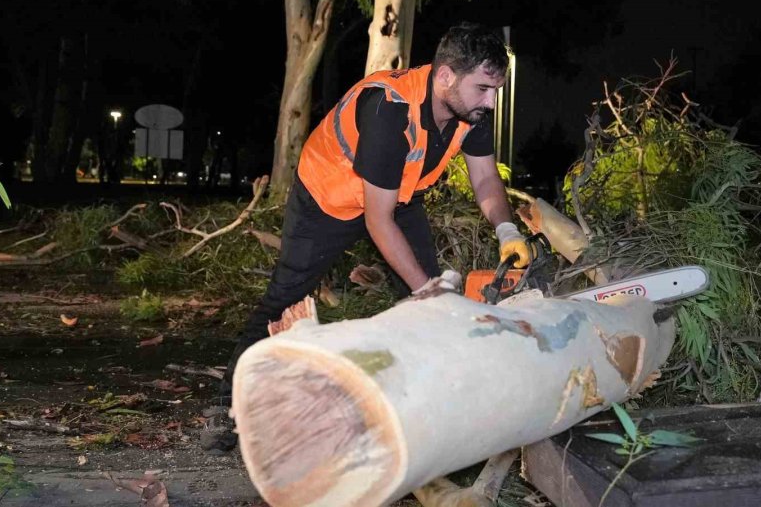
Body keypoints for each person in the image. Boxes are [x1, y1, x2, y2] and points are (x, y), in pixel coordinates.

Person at [201, 22, 532, 454]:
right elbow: (378, 221)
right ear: (447, 76)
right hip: (329, 197)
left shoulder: (472, 114)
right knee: (285, 296)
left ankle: (424, 411)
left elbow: (486, 178)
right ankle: (229, 411)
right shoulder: (388, 109)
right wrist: (426, 289)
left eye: (495, 91)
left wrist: (507, 230)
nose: (491, 101)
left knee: (429, 304)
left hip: (398, 195)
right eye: (484, 88)